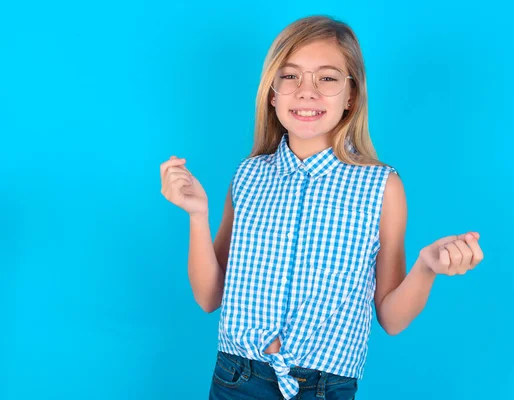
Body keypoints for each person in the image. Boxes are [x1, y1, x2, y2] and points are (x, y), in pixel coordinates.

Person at [159, 15, 484, 400]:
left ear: (351, 95)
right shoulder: (248, 176)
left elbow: (392, 319)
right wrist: (198, 215)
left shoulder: (382, 187)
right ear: (272, 92)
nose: (306, 92)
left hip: (323, 388)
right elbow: (210, 297)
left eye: (327, 78)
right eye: (290, 76)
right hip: (235, 377)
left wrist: (427, 267)